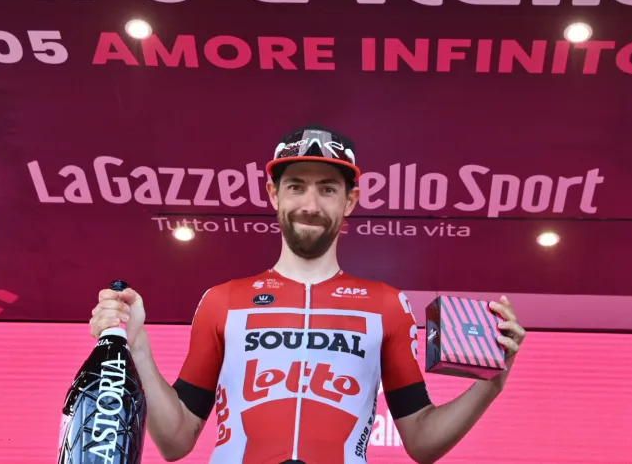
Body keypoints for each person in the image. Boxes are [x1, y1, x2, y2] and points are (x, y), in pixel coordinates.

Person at [89, 125, 526, 464]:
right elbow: (176, 439)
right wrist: (138, 345)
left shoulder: (387, 305)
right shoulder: (223, 300)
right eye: (296, 185)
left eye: (328, 189)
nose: (310, 205)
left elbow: (421, 442)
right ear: (273, 193)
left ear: (350, 200)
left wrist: (494, 382)